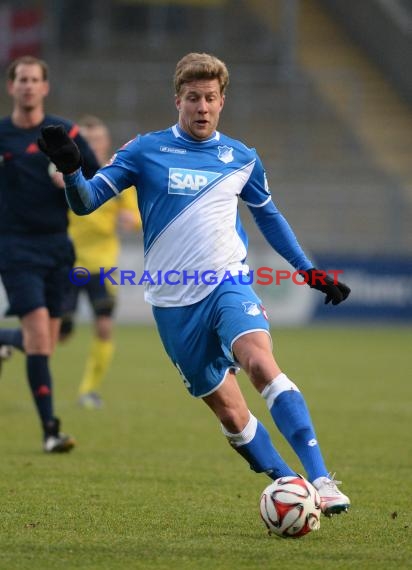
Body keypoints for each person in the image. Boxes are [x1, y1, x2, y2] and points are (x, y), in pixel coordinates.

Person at [38, 52, 351, 515]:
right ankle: (289, 485)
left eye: (210, 98)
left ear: (222, 101)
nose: (201, 107)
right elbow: (87, 202)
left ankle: (322, 480)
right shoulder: (145, 150)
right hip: (172, 303)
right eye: (192, 98)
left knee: (261, 364)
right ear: (177, 101)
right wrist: (71, 169)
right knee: (230, 414)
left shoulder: (241, 158)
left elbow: (271, 218)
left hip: (226, 282)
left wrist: (307, 269)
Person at [0, 56, 100, 452]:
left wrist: (71, 177)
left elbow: (98, 177)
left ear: (45, 87)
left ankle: (6, 338)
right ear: (11, 87)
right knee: (40, 337)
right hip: (14, 246)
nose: (27, 86)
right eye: (20, 79)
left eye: (34, 79)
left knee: (47, 342)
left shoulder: (64, 132)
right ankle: (50, 431)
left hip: (58, 246)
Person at [59, 115, 141, 409]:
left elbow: (136, 216)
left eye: (97, 139)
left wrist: (131, 220)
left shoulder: (117, 176)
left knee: (104, 326)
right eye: (87, 139)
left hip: (103, 266)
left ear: (106, 143)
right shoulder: (65, 174)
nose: (93, 144)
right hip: (67, 263)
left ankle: (88, 390)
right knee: (59, 331)